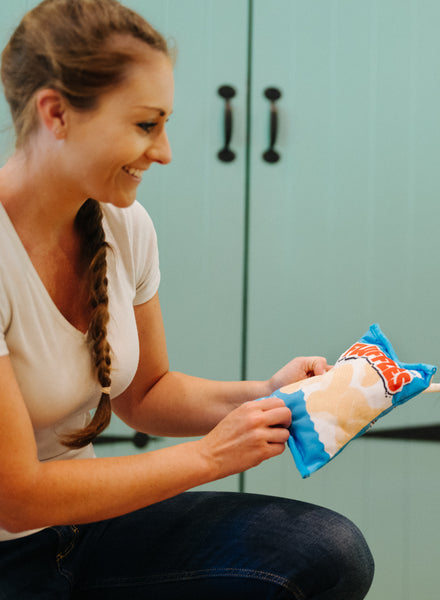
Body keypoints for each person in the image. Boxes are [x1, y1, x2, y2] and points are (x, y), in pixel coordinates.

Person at [0, 0, 375, 598]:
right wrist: (210, 456)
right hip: (10, 554)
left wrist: (266, 396)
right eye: (147, 124)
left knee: (332, 554)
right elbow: (16, 498)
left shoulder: (125, 225)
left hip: (87, 530)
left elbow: (146, 394)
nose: (166, 151)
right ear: (57, 113)